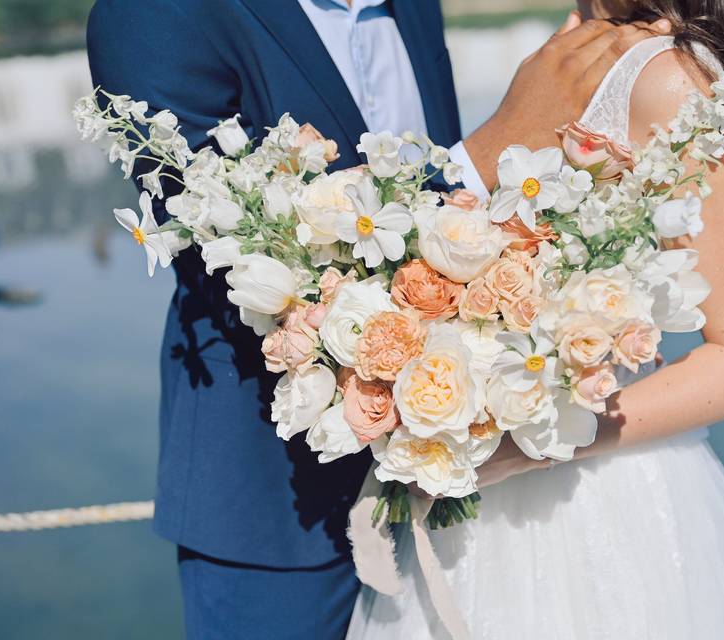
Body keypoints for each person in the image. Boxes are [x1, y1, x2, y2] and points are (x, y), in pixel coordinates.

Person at [85, 1, 665, 638]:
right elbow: (236, 260)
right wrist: (500, 143)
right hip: (274, 503)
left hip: (464, 470)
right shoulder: (156, 13)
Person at [347, 0, 724, 638]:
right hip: (480, 490)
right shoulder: (576, 46)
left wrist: (523, 450)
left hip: (603, 498)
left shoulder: (671, 79)